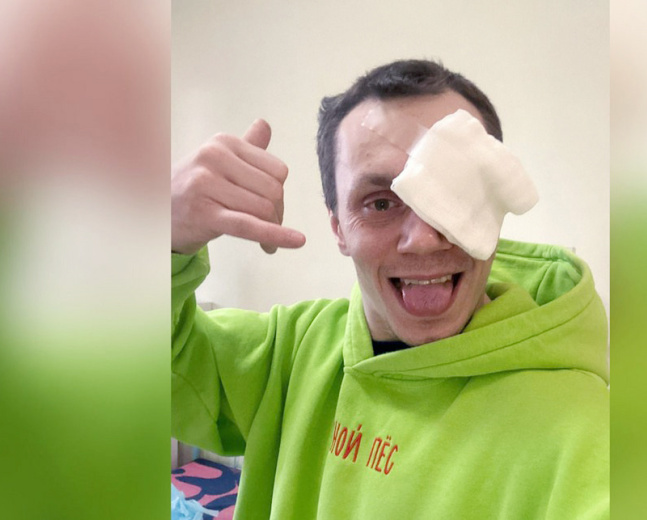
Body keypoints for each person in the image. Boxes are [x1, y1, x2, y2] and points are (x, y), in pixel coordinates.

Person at [171, 59, 609, 520]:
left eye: (454, 195)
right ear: (338, 228)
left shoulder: (581, 427)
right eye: (380, 203)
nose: (423, 239)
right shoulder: (288, 354)